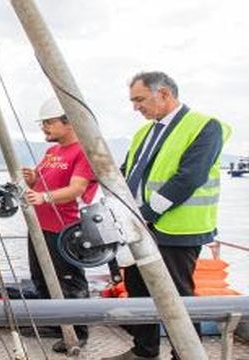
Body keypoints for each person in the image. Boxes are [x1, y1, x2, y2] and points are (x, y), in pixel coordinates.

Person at [102, 71, 230, 360]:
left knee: (177, 295)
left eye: (140, 99)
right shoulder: (144, 132)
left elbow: (189, 178)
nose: (136, 107)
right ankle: (144, 350)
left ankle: (185, 354)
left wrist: (145, 214)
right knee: (138, 289)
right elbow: (128, 172)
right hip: (138, 226)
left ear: (164, 94)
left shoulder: (205, 127)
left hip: (176, 229)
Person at [21, 97, 98, 353]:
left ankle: (78, 331)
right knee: (41, 278)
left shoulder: (83, 151)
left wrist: (43, 197)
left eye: (49, 122)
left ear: (69, 122)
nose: (44, 127)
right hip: (40, 227)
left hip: (67, 229)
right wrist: (33, 180)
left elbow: (77, 188)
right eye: (43, 123)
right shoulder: (52, 152)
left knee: (69, 282)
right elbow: (42, 186)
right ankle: (56, 323)